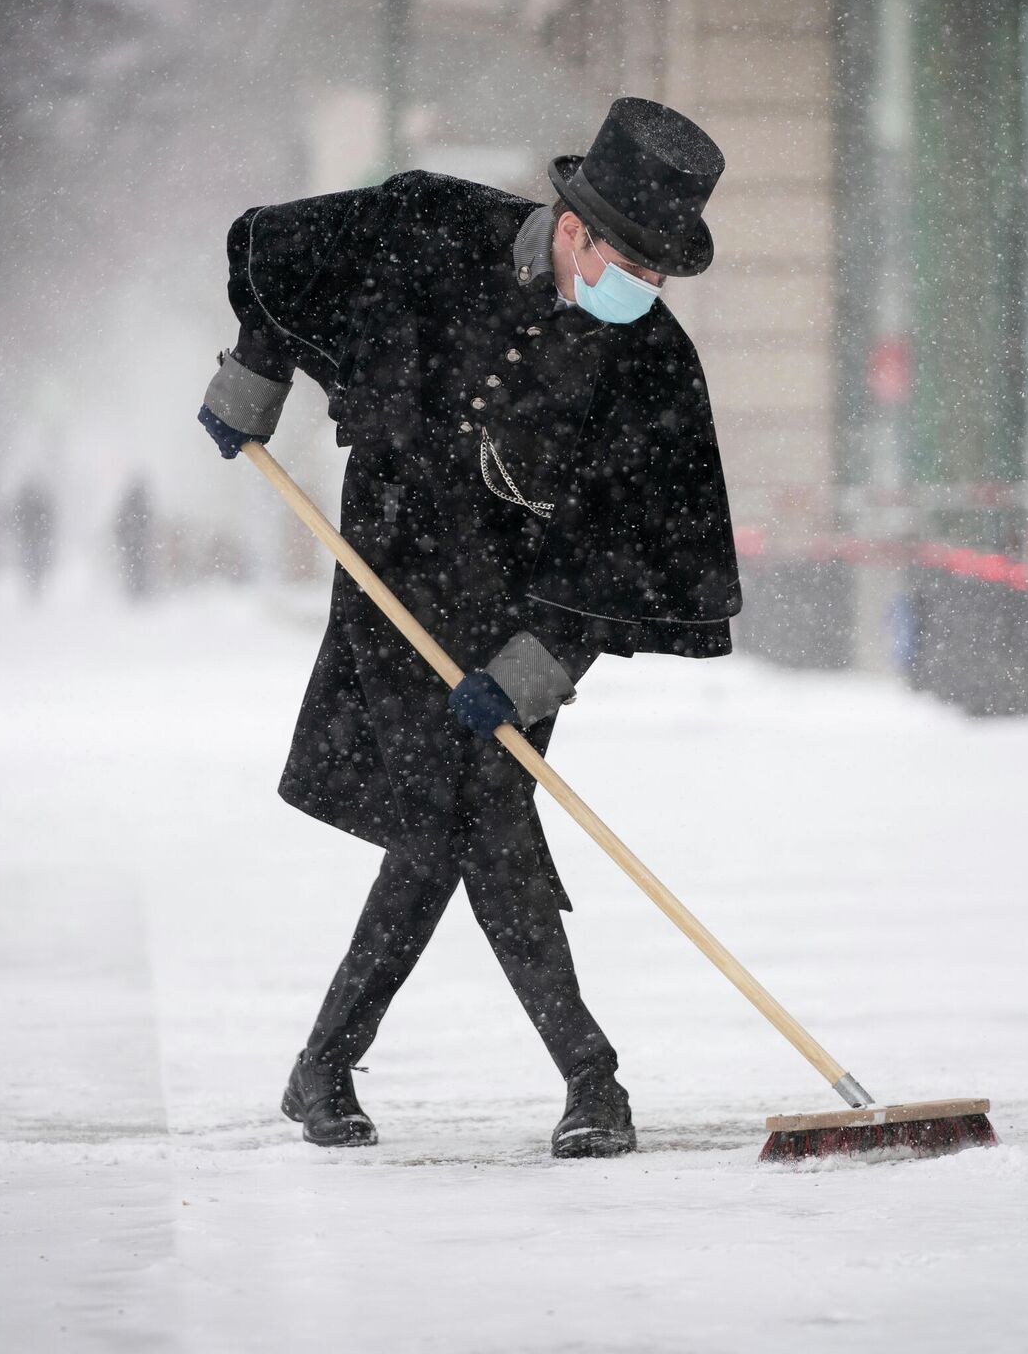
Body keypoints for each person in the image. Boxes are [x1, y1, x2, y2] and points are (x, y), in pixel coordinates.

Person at [195, 98, 740, 1158]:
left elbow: (629, 546)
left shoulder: (650, 363)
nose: (646, 293)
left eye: (663, 278)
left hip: (516, 615)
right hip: (393, 568)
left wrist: (539, 664)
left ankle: (324, 1068)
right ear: (575, 227)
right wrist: (253, 376)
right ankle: (590, 1075)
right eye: (635, 265)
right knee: (468, 818)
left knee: (458, 819)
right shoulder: (426, 228)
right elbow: (284, 257)